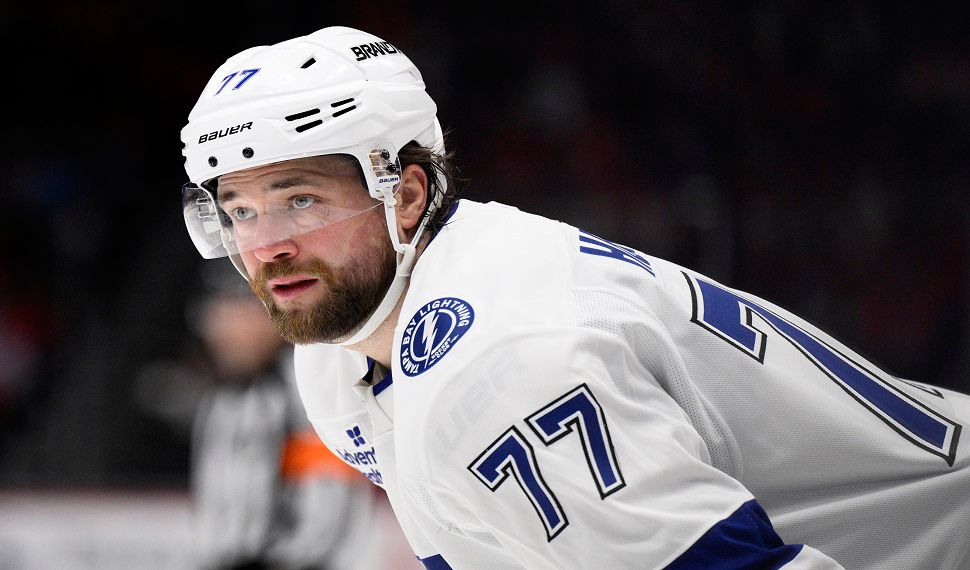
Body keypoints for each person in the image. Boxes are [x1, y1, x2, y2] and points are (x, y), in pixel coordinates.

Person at [177, 26, 970, 569]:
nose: (264, 242)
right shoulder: (348, 354)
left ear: (407, 194)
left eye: (301, 200)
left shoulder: (505, 364)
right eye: (240, 210)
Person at [146, 261, 381, 570]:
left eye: (237, 312)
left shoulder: (309, 391)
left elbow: (326, 514)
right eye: (215, 314)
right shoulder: (222, 397)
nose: (221, 329)